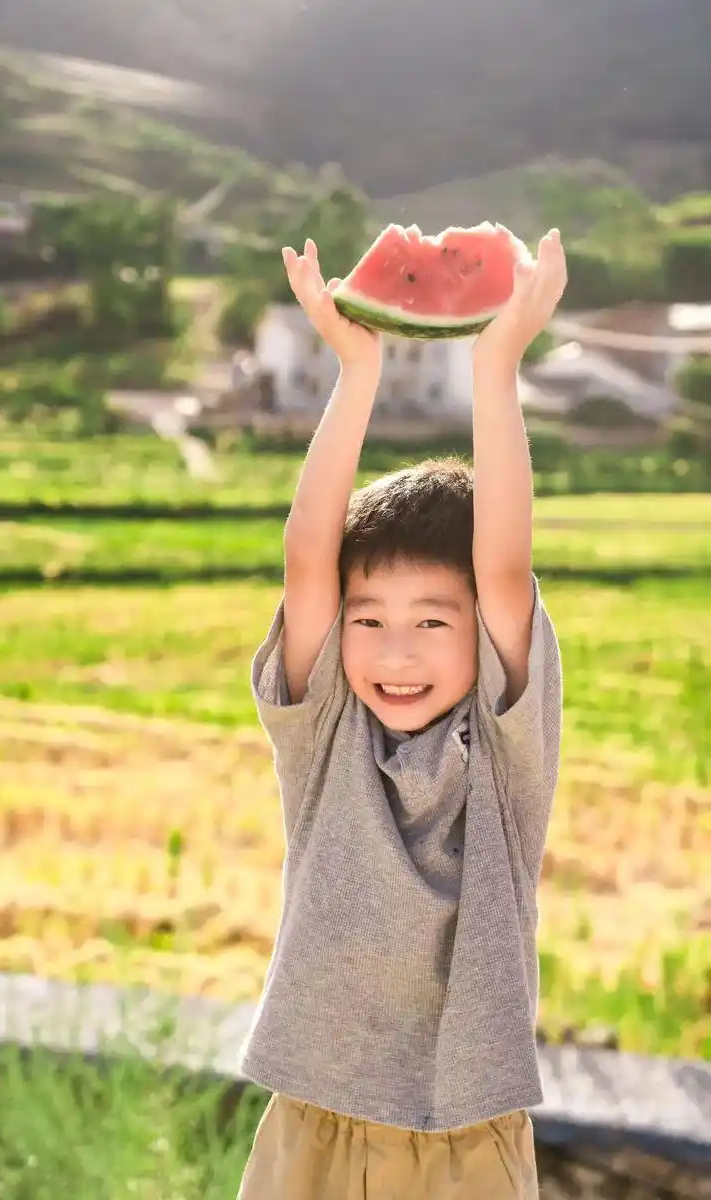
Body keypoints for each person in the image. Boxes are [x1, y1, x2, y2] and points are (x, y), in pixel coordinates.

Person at [236, 230, 568, 1199]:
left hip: (461, 1131)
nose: (395, 650)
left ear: (481, 634)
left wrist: (494, 362)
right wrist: (355, 369)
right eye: (367, 619)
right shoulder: (323, 734)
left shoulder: (504, 755)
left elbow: (501, 564)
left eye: (432, 620)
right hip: (313, 1113)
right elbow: (308, 553)